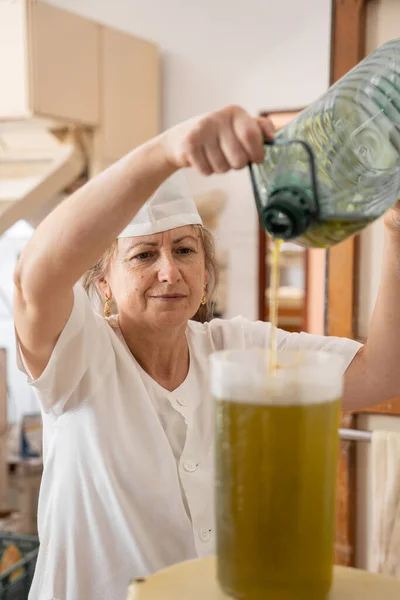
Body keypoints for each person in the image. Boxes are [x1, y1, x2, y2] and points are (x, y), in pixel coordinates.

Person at [13, 105, 400, 600]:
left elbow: (383, 371)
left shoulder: (236, 348)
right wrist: (168, 151)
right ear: (103, 281)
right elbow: (34, 278)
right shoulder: (80, 354)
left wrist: (395, 225)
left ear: (205, 269)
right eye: (144, 255)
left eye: (185, 250)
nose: (170, 271)